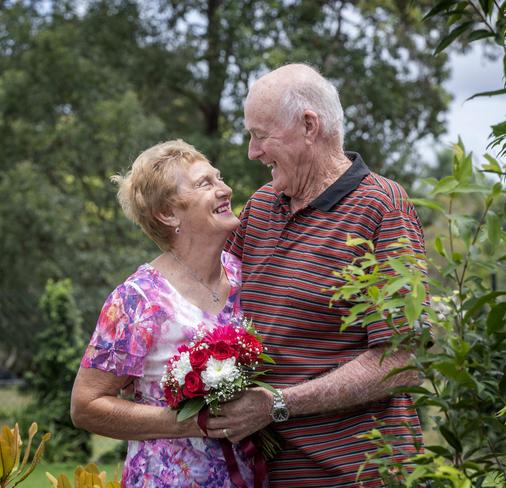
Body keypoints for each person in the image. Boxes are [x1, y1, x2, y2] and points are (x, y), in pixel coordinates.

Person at [203, 64, 427, 487]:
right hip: (268, 471)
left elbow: (402, 359)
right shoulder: (262, 206)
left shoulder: (382, 207)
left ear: (309, 125)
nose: (252, 152)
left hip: (359, 472)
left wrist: (279, 404)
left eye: (260, 134)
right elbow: (209, 305)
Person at [71, 140, 259, 486]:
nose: (225, 189)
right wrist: (188, 422)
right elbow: (86, 405)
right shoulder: (138, 300)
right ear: (168, 213)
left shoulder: (248, 278)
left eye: (219, 179)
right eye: (206, 183)